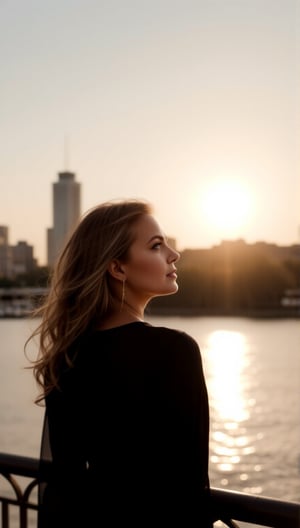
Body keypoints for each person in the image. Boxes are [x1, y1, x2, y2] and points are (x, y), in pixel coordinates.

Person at [26, 199, 214, 527]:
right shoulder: (174, 350)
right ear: (118, 268)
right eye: (157, 246)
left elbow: (63, 481)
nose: (174, 254)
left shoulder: (68, 357)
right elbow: (190, 486)